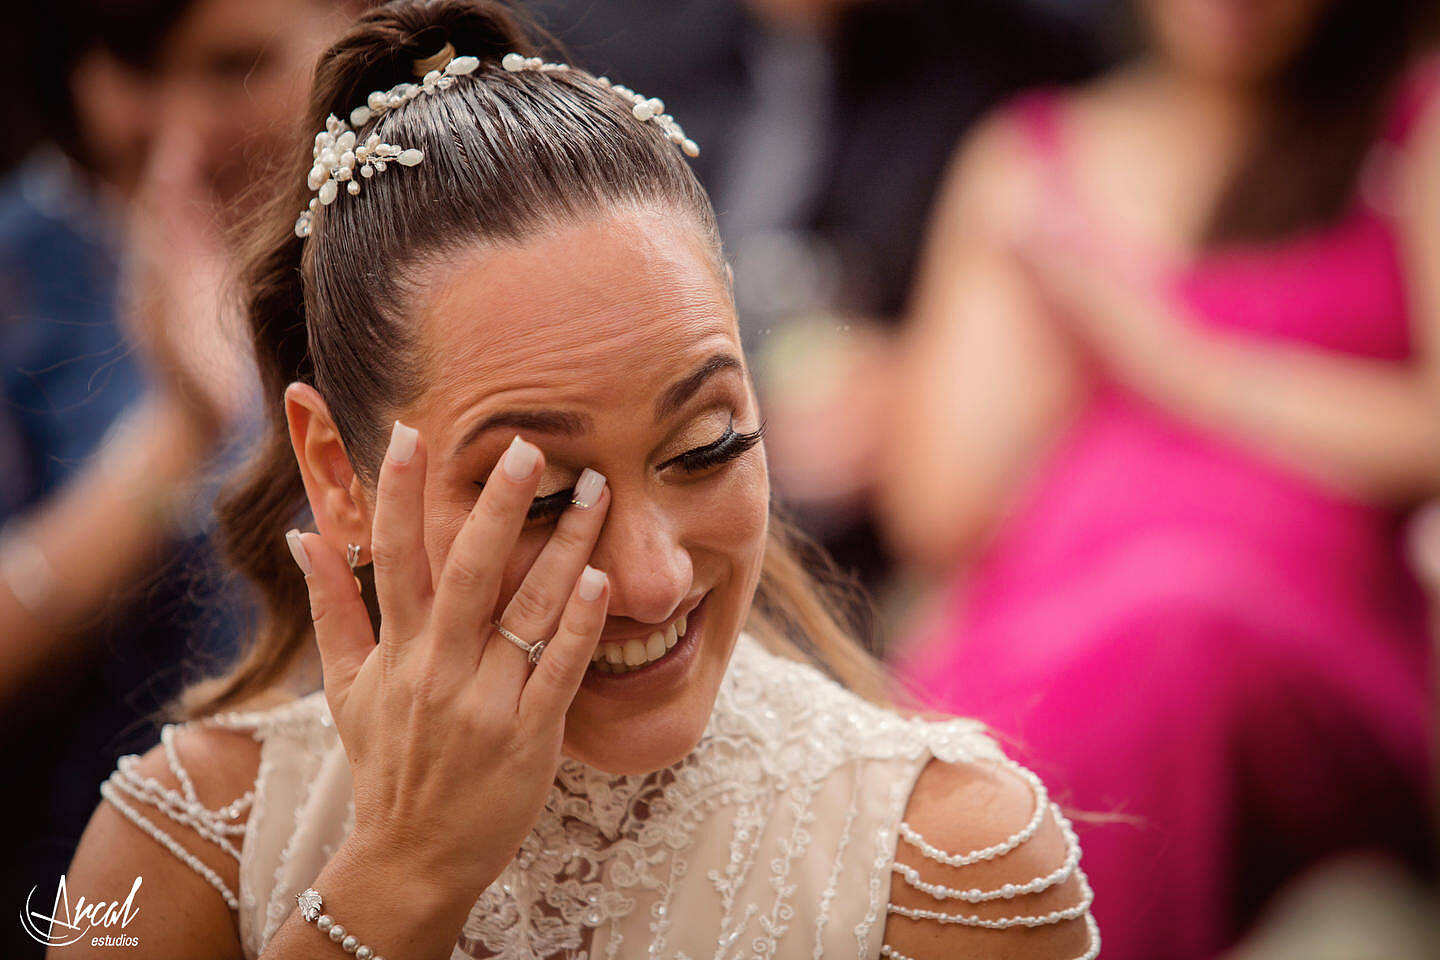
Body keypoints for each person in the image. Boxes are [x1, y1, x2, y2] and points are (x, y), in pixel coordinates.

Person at [53, 2, 1099, 959]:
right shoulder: (180, 848)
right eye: (542, 495)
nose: (648, 582)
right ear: (339, 479)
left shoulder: (950, 866)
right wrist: (402, 880)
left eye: (706, 447)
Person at [878, 0, 1440, 957]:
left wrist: (1182, 365)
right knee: (966, 734)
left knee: (1166, 628)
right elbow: (935, 512)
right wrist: (1046, 339)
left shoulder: (1409, 120)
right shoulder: (1034, 155)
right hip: (1047, 609)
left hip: (1301, 634)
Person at [1, 0, 346, 944]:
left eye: (238, 66)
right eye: (137, 68)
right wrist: (181, 429)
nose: (179, 126)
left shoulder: (414, 241)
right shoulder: (28, 271)